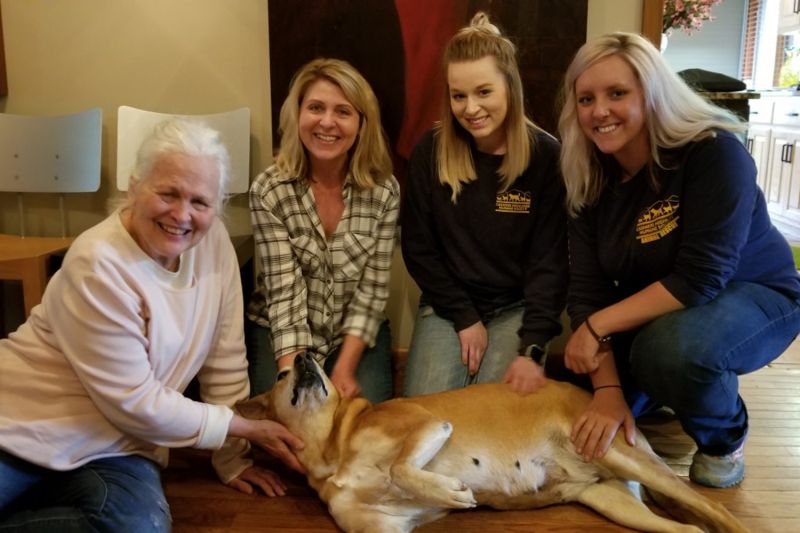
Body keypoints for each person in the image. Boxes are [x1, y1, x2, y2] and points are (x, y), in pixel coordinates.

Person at [0, 119, 306, 532]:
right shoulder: (98, 263)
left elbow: (226, 359)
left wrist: (232, 458)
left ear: (217, 207)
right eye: (168, 193)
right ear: (134, 187)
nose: (182, 214)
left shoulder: (213, 242)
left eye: (200, 202)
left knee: (139, 527)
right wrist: (245, 427)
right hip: (20, 428)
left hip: (117, 447)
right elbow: (135, 401)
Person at [558, 32, 800, 489]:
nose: (598, 111)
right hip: (660, 309)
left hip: (754, 294)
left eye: (617, 93)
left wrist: (594, 329)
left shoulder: (714, 151)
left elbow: (700, 278)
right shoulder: (587, 177)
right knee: (573, 389)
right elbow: (586, 291)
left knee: (672, 352)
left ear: (652, 93)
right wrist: (607, 390)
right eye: (586, 99)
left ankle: (724, 439)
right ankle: (669, 389)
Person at [400, 12, 568, 397]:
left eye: (484, 92)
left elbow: (551, 263)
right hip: (447, 307)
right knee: (426, 415)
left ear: (510, 86)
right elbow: (419, 249)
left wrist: (534, 345)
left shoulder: (546, 156)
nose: (471, 108)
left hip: (517, 309)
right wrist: (464, 317)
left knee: (495, 420)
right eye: (459, 96)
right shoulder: (430, 150)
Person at [246, 58, 400, 404]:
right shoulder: (269, 191)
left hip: (353, 333)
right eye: (315, 108)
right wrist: (294, 380)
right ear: (298, 114)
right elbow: (284, 296)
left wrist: (344, 369)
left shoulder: (384, 191)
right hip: (280, 331)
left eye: (343, 112)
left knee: (360, 433)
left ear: (361, 123)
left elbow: (372, 291)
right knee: (286, 428)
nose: (327, 122)